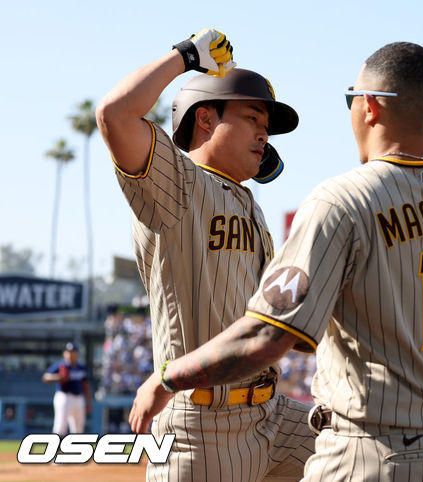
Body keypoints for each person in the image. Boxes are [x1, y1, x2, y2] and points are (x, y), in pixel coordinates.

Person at [129, 42, 423, 481]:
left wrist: (169, 376)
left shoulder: (342, 200)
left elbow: (269, 336)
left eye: (351, 99)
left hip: (366, 453)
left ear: (369, 106)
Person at [96, 28, 314, 481]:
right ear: (206, 120)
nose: (264, 132)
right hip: (202, 426)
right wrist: (187, 55)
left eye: (266, 127)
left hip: (272, 416)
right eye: (253, 117)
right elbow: (115, 115)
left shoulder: (249, 203)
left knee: (371, 451)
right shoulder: (178, 183)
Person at [42, 342, 91, 436]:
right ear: (65, 353)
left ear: (77, 354)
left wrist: (88, 402)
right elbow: (45, 377)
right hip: (64, 396)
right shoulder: (61, 365)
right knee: (60, 425)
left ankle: (76, 450)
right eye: (69, 352)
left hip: (79, 398)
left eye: (73, 352)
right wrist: (59, 377)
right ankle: (55, 448)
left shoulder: (81, 368)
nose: (71, 354)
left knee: (78, 428)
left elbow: (86, 385)